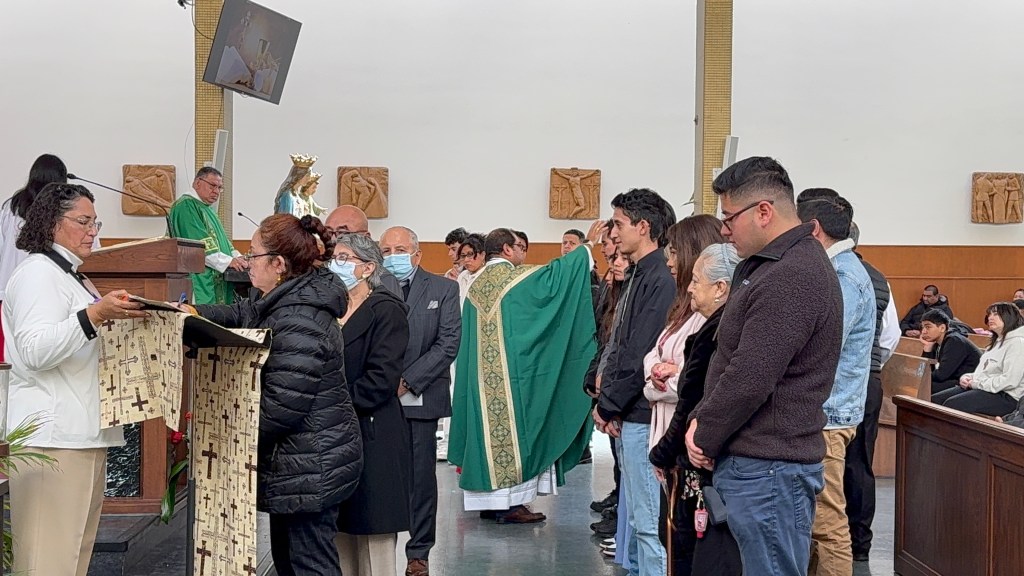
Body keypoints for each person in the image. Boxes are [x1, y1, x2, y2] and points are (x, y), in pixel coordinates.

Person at [686, 157, 843, 576]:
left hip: (770, 469)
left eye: (729, 218)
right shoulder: (770, 265)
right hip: (758, 463)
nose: (724, 229)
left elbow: (750, 376)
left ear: (764, 211)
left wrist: (704, 434)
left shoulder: (793, 274)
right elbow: (730, 360)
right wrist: (703, 419)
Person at [190, 213, 362, 576]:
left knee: (309, 564)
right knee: (292, 561)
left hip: (310, 461)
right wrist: (191, 314)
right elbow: (243, 313)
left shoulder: (299, 318)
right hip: (301, 460)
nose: (247, 261)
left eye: (253, 254)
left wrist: (230, 438)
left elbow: (283, 406)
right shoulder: (286, 299)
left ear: (278, 264)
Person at [3, 183, 149, 576]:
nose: (92, 232)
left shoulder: (68, 275)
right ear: (52, 223)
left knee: (71, 559)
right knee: (46, 563)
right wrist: (94, 315)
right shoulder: (37, 273)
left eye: (95, 223)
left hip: (80, 433)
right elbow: (34, 351)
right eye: (83, 222)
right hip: (53, 437)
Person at [449, 227, 595, 523]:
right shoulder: (512, 279)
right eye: (518, 247)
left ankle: (492, 504)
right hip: (511, 383)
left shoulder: (477, 285)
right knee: (520, 432)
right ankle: (510, 505)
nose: (522, 253)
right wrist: (586, 247)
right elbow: (556, 278)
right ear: (506, 249)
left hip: (482, 384)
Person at [594, 188, 677, 576]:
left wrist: (610, 404)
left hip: (643, 415)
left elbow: (641, 351)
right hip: (629, 411)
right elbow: (617, 343)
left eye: (619, 224)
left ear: (643, 227)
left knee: (649, 526)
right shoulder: (639, 274)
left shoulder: (659, 279)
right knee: (637, 520)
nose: (613, 232)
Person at [650, 243, 742, 576]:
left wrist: (662, 453)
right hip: (705, 457)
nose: (689, 287)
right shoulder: (718, 326)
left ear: (720, 288)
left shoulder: (715, 333)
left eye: (697, 280)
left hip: (699, 463)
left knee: (689, 551)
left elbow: (692, 403)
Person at [797, 193, 875, 576]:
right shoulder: (837, 269)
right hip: (826, 412)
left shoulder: (845, 276)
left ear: (813, 229)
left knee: (827, 525)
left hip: (830, 417)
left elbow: (820, 344)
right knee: (815, 522)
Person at [642, 216, 723, 575]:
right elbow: (651, 360)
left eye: (674, 252)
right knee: (670, 535)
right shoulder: (682, 308)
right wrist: (658, 375)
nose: (669, 261)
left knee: (683, 542)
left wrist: (668, 377)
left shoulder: (707, 319)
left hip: (682, 445)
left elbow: (694, 384)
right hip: (667, 436)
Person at [379, 226, 461, 576]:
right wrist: (383, 381)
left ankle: (419, 552)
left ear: (417, 253)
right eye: (386, 251)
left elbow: (448, 342)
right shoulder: (372, 286)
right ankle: (379, 548)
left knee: (420, 479)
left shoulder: (444, 289)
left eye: (400, 249)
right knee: (380, 476)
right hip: (377, 395)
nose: (393, 257)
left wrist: (408, 381)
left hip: (421, 394)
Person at [331, 233, 413, 576]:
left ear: (367, 268)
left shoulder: (386, 310)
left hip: (373, 431)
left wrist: (332, 403)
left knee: (374, 536)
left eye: (344, 257)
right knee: (341, 536)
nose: (335, 264)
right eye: (334, 256)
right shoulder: (331, 309)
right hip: (335, 435)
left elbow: (381, 378)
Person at [843, 220, 901, 563]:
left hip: (839, 381)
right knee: (861, 462)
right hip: (869, 379)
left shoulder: (832, 273)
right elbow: (890, 337)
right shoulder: (878, 278)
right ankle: (860, 540)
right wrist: (871, 363)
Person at [0, 153, 69, 362]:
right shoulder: (63, 207)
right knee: (37, 351)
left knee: (8, 357)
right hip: (46, 291)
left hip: (8, 289)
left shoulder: (11, 207)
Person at [168, 167, 246, 305]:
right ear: (198, 183)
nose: (216, 191)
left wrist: (238, 257)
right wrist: (228, 261)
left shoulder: (207, 209)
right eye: (212, 186)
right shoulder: (186, 206)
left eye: (219, 188)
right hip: (198, 279)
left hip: (214, 276)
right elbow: (198, 246)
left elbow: (223, 242)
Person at [932, 302, 1024, 416]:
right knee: (935, 400)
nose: (990, 318)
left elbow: (1010, 381)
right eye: (989, 314)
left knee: (953, 405)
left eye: (995, 314)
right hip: (985, 388)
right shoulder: (996, 342)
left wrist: (976, 383)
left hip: (1007, 396)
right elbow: (984, 372)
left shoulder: (1017, 343)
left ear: (1009, 316)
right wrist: (968, 377)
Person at [323, 205, 402, 296]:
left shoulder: (384, 279)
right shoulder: (320, 271)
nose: (333, 239)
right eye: (328, 233)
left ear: (365, 237)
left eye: (342, 233)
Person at [920, 309, 982, 395]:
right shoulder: (937, 342)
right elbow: (926, 371)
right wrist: (927, 348)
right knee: (921, 385)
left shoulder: (954, 341)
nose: (923, 331)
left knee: (924, 386)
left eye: (928, 327)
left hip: (968, 383)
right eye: (922, 327)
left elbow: (941, 375)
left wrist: (922, 376)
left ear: (942, 328)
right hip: (955, 380)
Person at [455, 234, 487, 305]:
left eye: (470, 254)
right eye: (463, 256)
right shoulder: (463, 275)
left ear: (482, 255)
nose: (466, 260)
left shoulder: (488, 275)